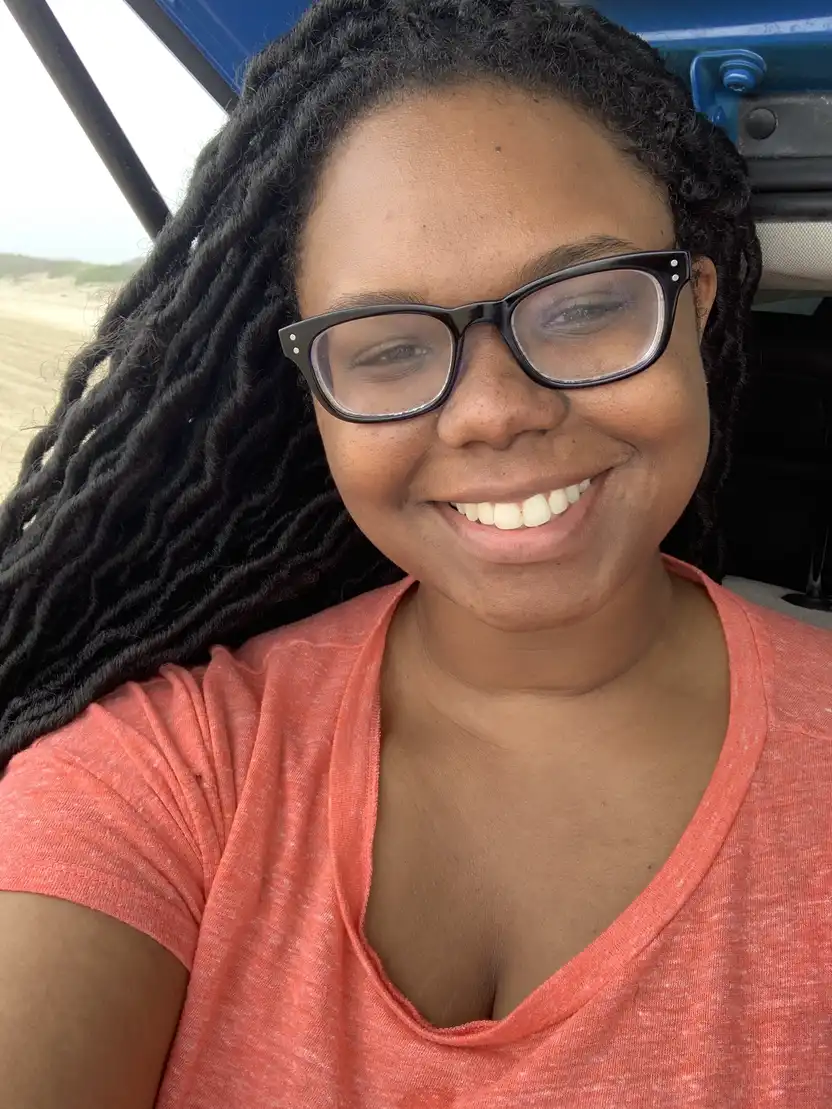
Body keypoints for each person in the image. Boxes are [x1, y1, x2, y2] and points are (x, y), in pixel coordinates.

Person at [0, 0, 830, 1104]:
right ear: (314, 393)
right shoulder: (163, 768)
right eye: (389, 346)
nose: (494, 411)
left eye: (582, 306)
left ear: (696, 310)